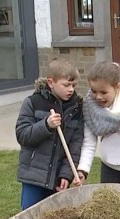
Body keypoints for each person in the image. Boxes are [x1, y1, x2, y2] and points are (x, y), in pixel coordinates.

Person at [15, 59, 84, 210]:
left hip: (57, 178)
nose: (71, 89)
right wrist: (46, 125)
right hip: (34, 176)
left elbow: (75, 146)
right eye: (66, 85)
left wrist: (66, 175)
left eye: (73, 85)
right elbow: (22, 135)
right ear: (51, 82)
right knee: (30, 217)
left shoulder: (76, 109)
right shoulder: (33, 102)